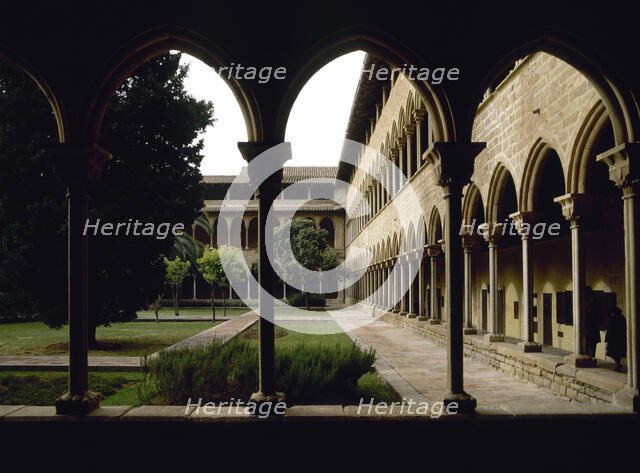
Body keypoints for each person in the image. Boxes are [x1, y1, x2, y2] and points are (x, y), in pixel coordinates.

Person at [605, 307, 627, 372]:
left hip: (613, 340)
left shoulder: (612, 319)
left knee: (614, 353)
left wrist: (607, 339)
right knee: (618, 353)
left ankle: (618, 364)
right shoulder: (622, 318)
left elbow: (609, 330)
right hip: (620, 339)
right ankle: (618, 363)